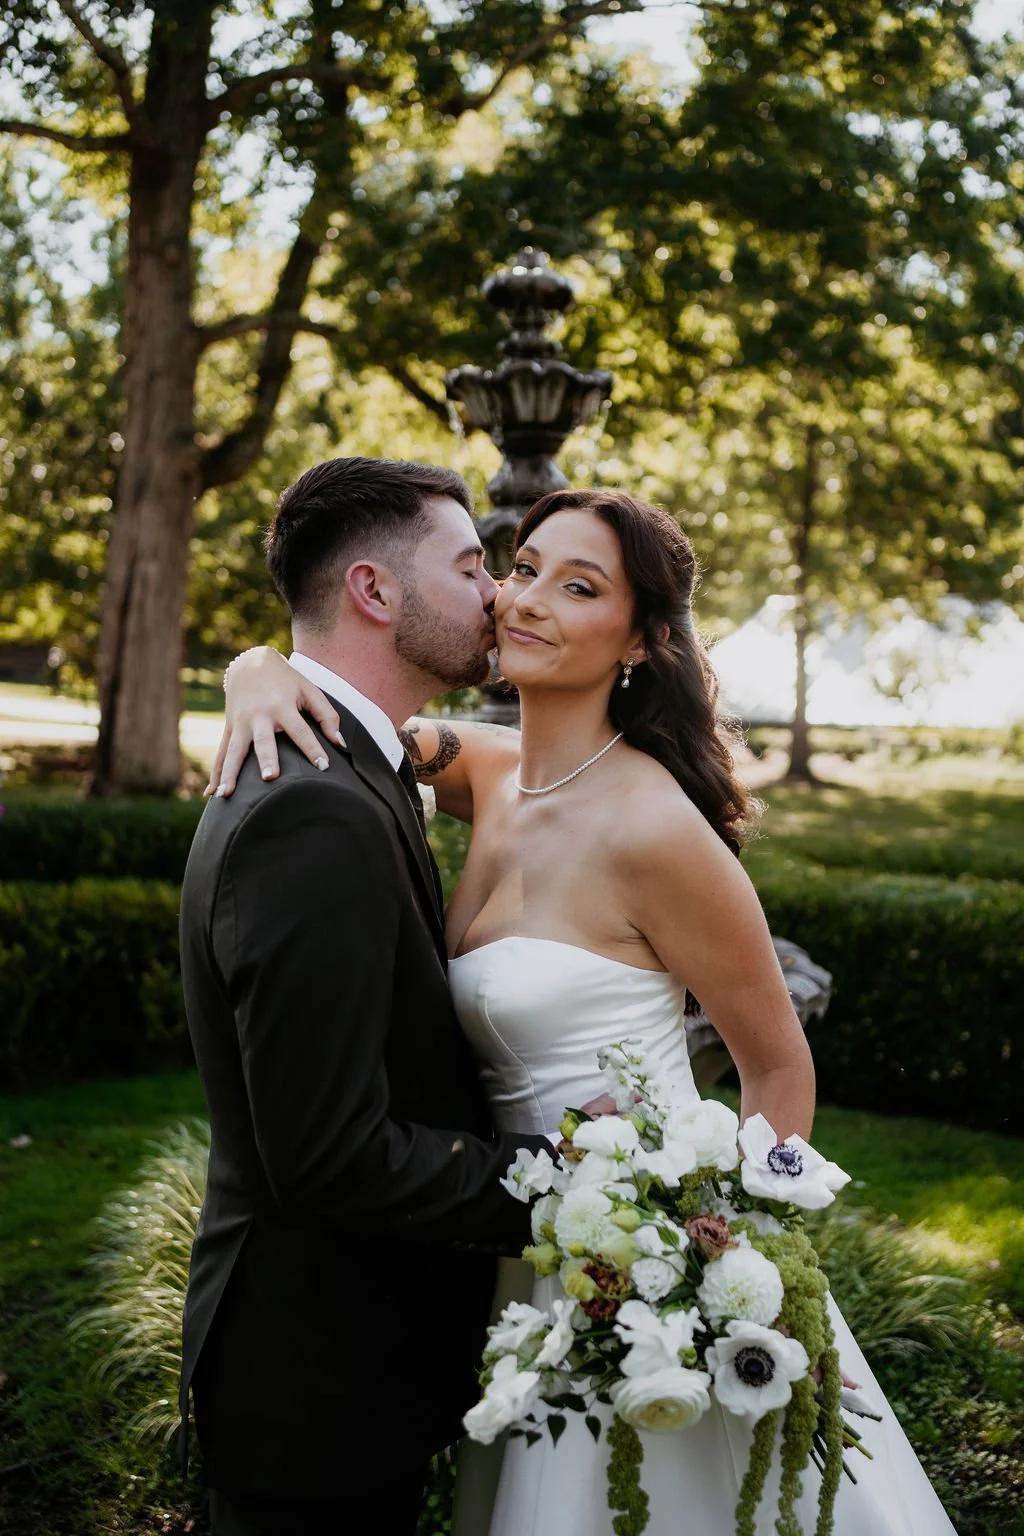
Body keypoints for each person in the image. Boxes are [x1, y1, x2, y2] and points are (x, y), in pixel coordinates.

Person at [209, 485, 958, 1534]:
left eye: (578, 586)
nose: (526, 600)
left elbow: (779, 1069)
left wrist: (723, 1259)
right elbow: (350, 698)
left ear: (641, 641)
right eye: (519, 570)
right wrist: (254, 674)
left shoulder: (656, 829)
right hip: (517, 1256)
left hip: (644, 1274)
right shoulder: (485, 769)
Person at [178, 457, 608, 1536]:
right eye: (472, 567)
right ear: (373, 591)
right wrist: (576, 1181)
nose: (498, 596)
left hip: (340, 1368)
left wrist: (255, 664)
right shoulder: (311, 809)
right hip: (311, 1386)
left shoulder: (357, 760)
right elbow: (325, 1155)